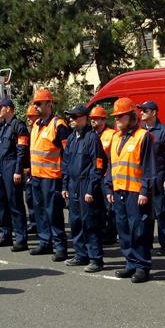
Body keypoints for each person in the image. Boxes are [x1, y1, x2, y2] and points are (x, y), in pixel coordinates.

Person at [106, 97, 156, 283]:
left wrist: (145, 190)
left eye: (121, 116)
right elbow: (112, 164)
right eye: (116, 116)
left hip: (135, 192)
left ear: (131, 116)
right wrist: (109, 187)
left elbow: (149, 167)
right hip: (119, 190)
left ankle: (142, 266)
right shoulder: (116, 137)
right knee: (124, 229)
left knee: (139, 230)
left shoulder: (143, 136)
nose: (117, 120)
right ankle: (131, 263)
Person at [61, 104, 108, 272]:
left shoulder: (92, 138)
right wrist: (65, 185)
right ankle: (81, 255)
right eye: (70, 117)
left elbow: (98, 165)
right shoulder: (72, 137)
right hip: (73, 185)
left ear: (84, 118)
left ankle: (96, 259)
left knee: (90, 223)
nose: (71, 120)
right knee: (75, 222)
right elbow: (66, 162)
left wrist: (91, 189)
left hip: (86, 185)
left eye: (74, 117)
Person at [29, 89, 70, 260]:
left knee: (53, 213)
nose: (36, 106)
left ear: (49, 104)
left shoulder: (58, 125)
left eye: (39, 103)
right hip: (37, 176)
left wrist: (65, 178)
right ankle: (45, 242)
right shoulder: (37, 125)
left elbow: (67, 153)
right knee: (40, 212)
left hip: (52, 177)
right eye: (35, 103)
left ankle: (60, 246)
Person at [0, 97, 30, 251]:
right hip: (0, 168)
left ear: (8, 109)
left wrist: (18, 170)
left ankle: (21, 238)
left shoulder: (18, 126)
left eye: (0, 108)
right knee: (1, 203)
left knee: (15, 204)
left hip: (11, 166)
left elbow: (22, 151)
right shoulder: (1, 127)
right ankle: (6, 234)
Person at [138, 101, 165, 255]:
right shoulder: (139, 131)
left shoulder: (164, 131)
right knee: (145, 213)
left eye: (145, 110)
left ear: (154, 112)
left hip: (158, 177)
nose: (141, 113)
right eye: (141, 110)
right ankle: (147, 243)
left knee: (162, 213)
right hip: (144, 178)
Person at [89, 106, 118, 245]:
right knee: (98, 207)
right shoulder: (91, 135)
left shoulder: (112, 134)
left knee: (110, 207)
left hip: (107, 175)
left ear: (103, 119)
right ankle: (101, 231)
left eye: (96, 119)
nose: (93, 121)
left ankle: (111, 234)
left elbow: (113, 157)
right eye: (92, 119)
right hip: (96, 175)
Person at [24, 104, 39, 236]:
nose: (28, 119)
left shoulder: (38, 130)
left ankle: (38, 224)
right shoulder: (31, 131)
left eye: (31, 117)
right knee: (29, 198)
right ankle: (34, 223)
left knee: (38, 200)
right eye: (28, 117)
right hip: (31, 171)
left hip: (42, 172)